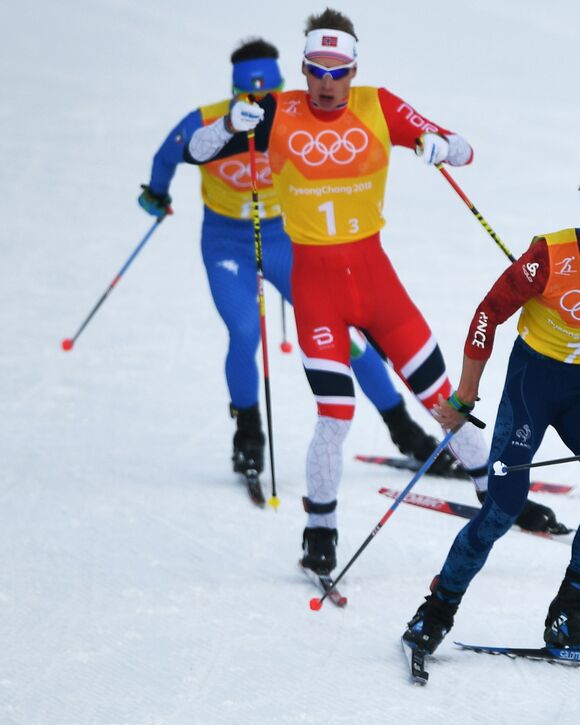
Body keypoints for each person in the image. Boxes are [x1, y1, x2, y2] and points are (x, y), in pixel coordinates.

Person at [183, 8, 562, 573]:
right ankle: (320, 529)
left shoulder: (378, 105)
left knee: (444, 401)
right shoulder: (275, 111)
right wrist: (228, 126)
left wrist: (438, 145)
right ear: (303, 69)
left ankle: (497, 494)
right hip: (316, 292)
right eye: (317, 70)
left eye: (338, 72)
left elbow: (464, 149)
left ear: (354, 70)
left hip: (377, 286)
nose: (327, 83)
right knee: (335, 415)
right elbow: (197, 150)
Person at [141, 37, 445, 484]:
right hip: (227, 243)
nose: (257, 103)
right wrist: (156, 194)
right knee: (245, 331)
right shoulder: (208, 122)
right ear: (234, 91)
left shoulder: (293, 117)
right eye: (246, 95)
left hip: (287, 240)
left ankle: (404, 429)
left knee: (350, 335)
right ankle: (248, 433)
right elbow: (168, 155)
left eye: (267, 94)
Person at [402, 166, 580, 656]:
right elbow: (488, 313)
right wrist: (466, 395)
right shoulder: (549, 256)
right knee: (503, 508)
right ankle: (436, 610)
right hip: (534, 384)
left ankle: (567, 613)